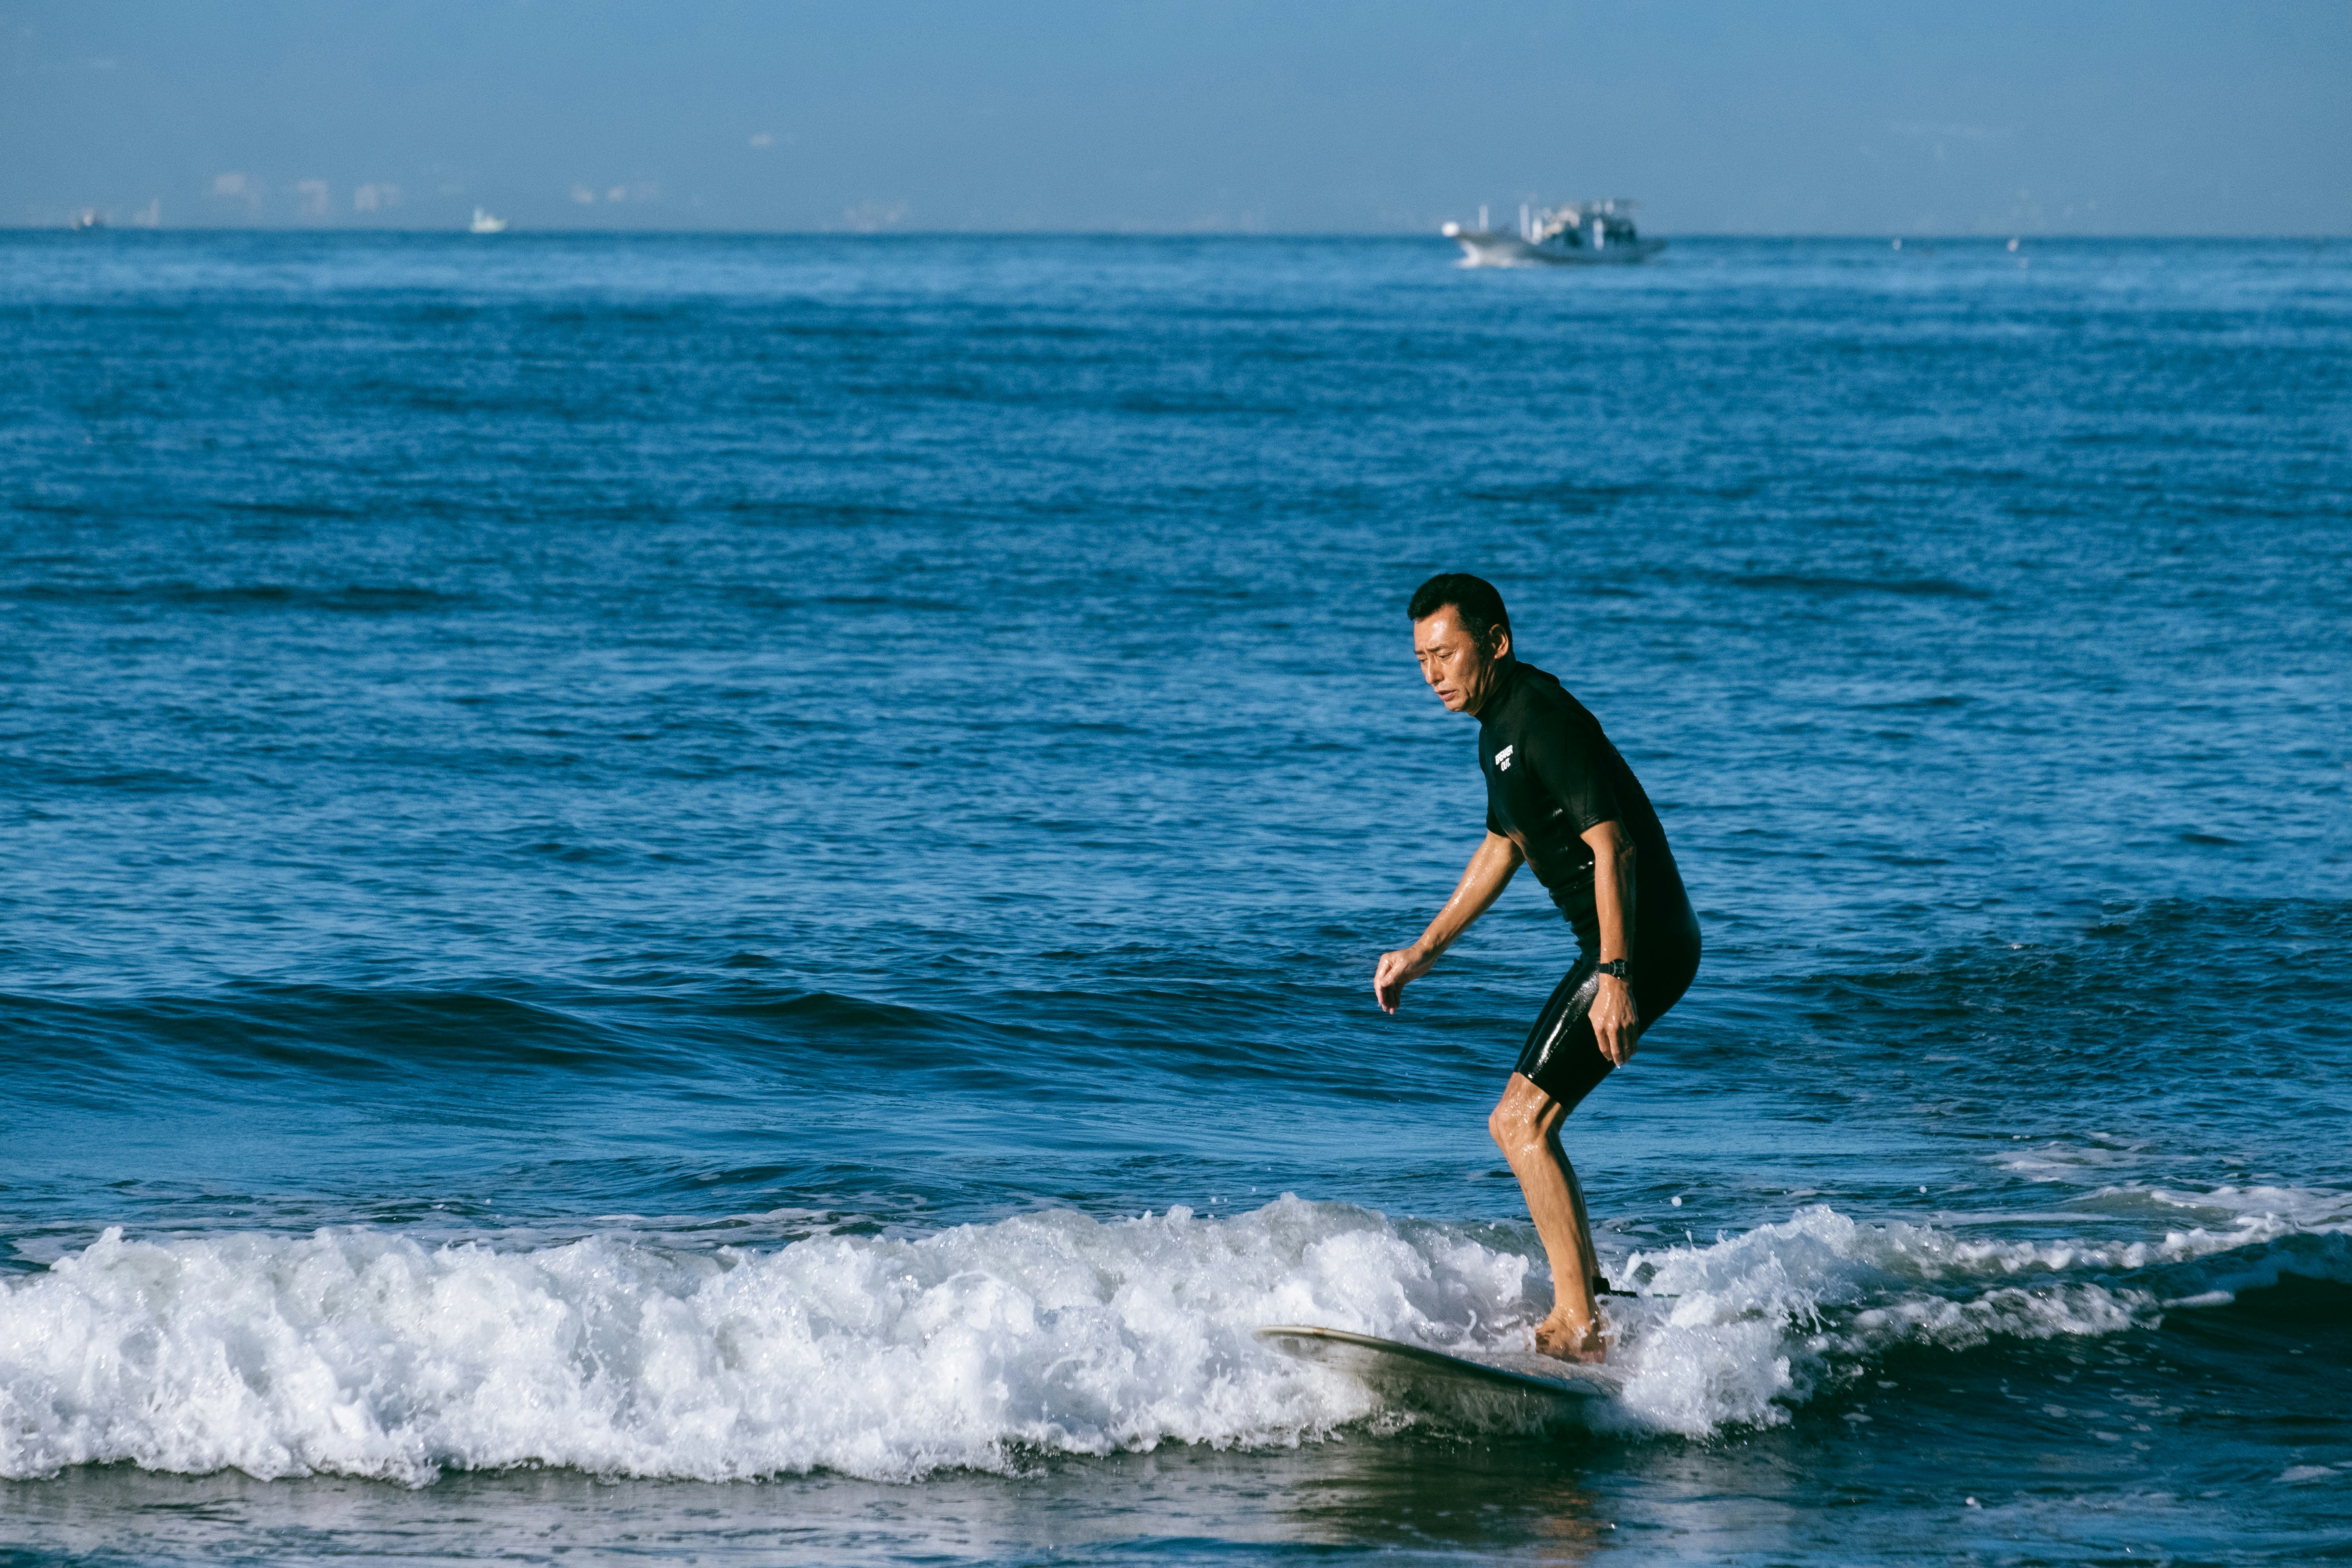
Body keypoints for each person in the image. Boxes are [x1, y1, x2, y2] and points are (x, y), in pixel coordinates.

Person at [1373, 574, 1701, 1362]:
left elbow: (1610, 844)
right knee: (1534, 1122)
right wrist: (1423, 951)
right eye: (1421, 658)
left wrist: (1616, 973)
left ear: (1496, 641)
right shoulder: (1498, 730)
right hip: (1627, 946)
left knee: (1518, 1121)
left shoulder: (1540, 714)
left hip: (1640, 944)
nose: (1433, 672)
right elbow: (1504, 844)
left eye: (1446, 652)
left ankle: (1580, 1319)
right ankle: (1590, 1291)